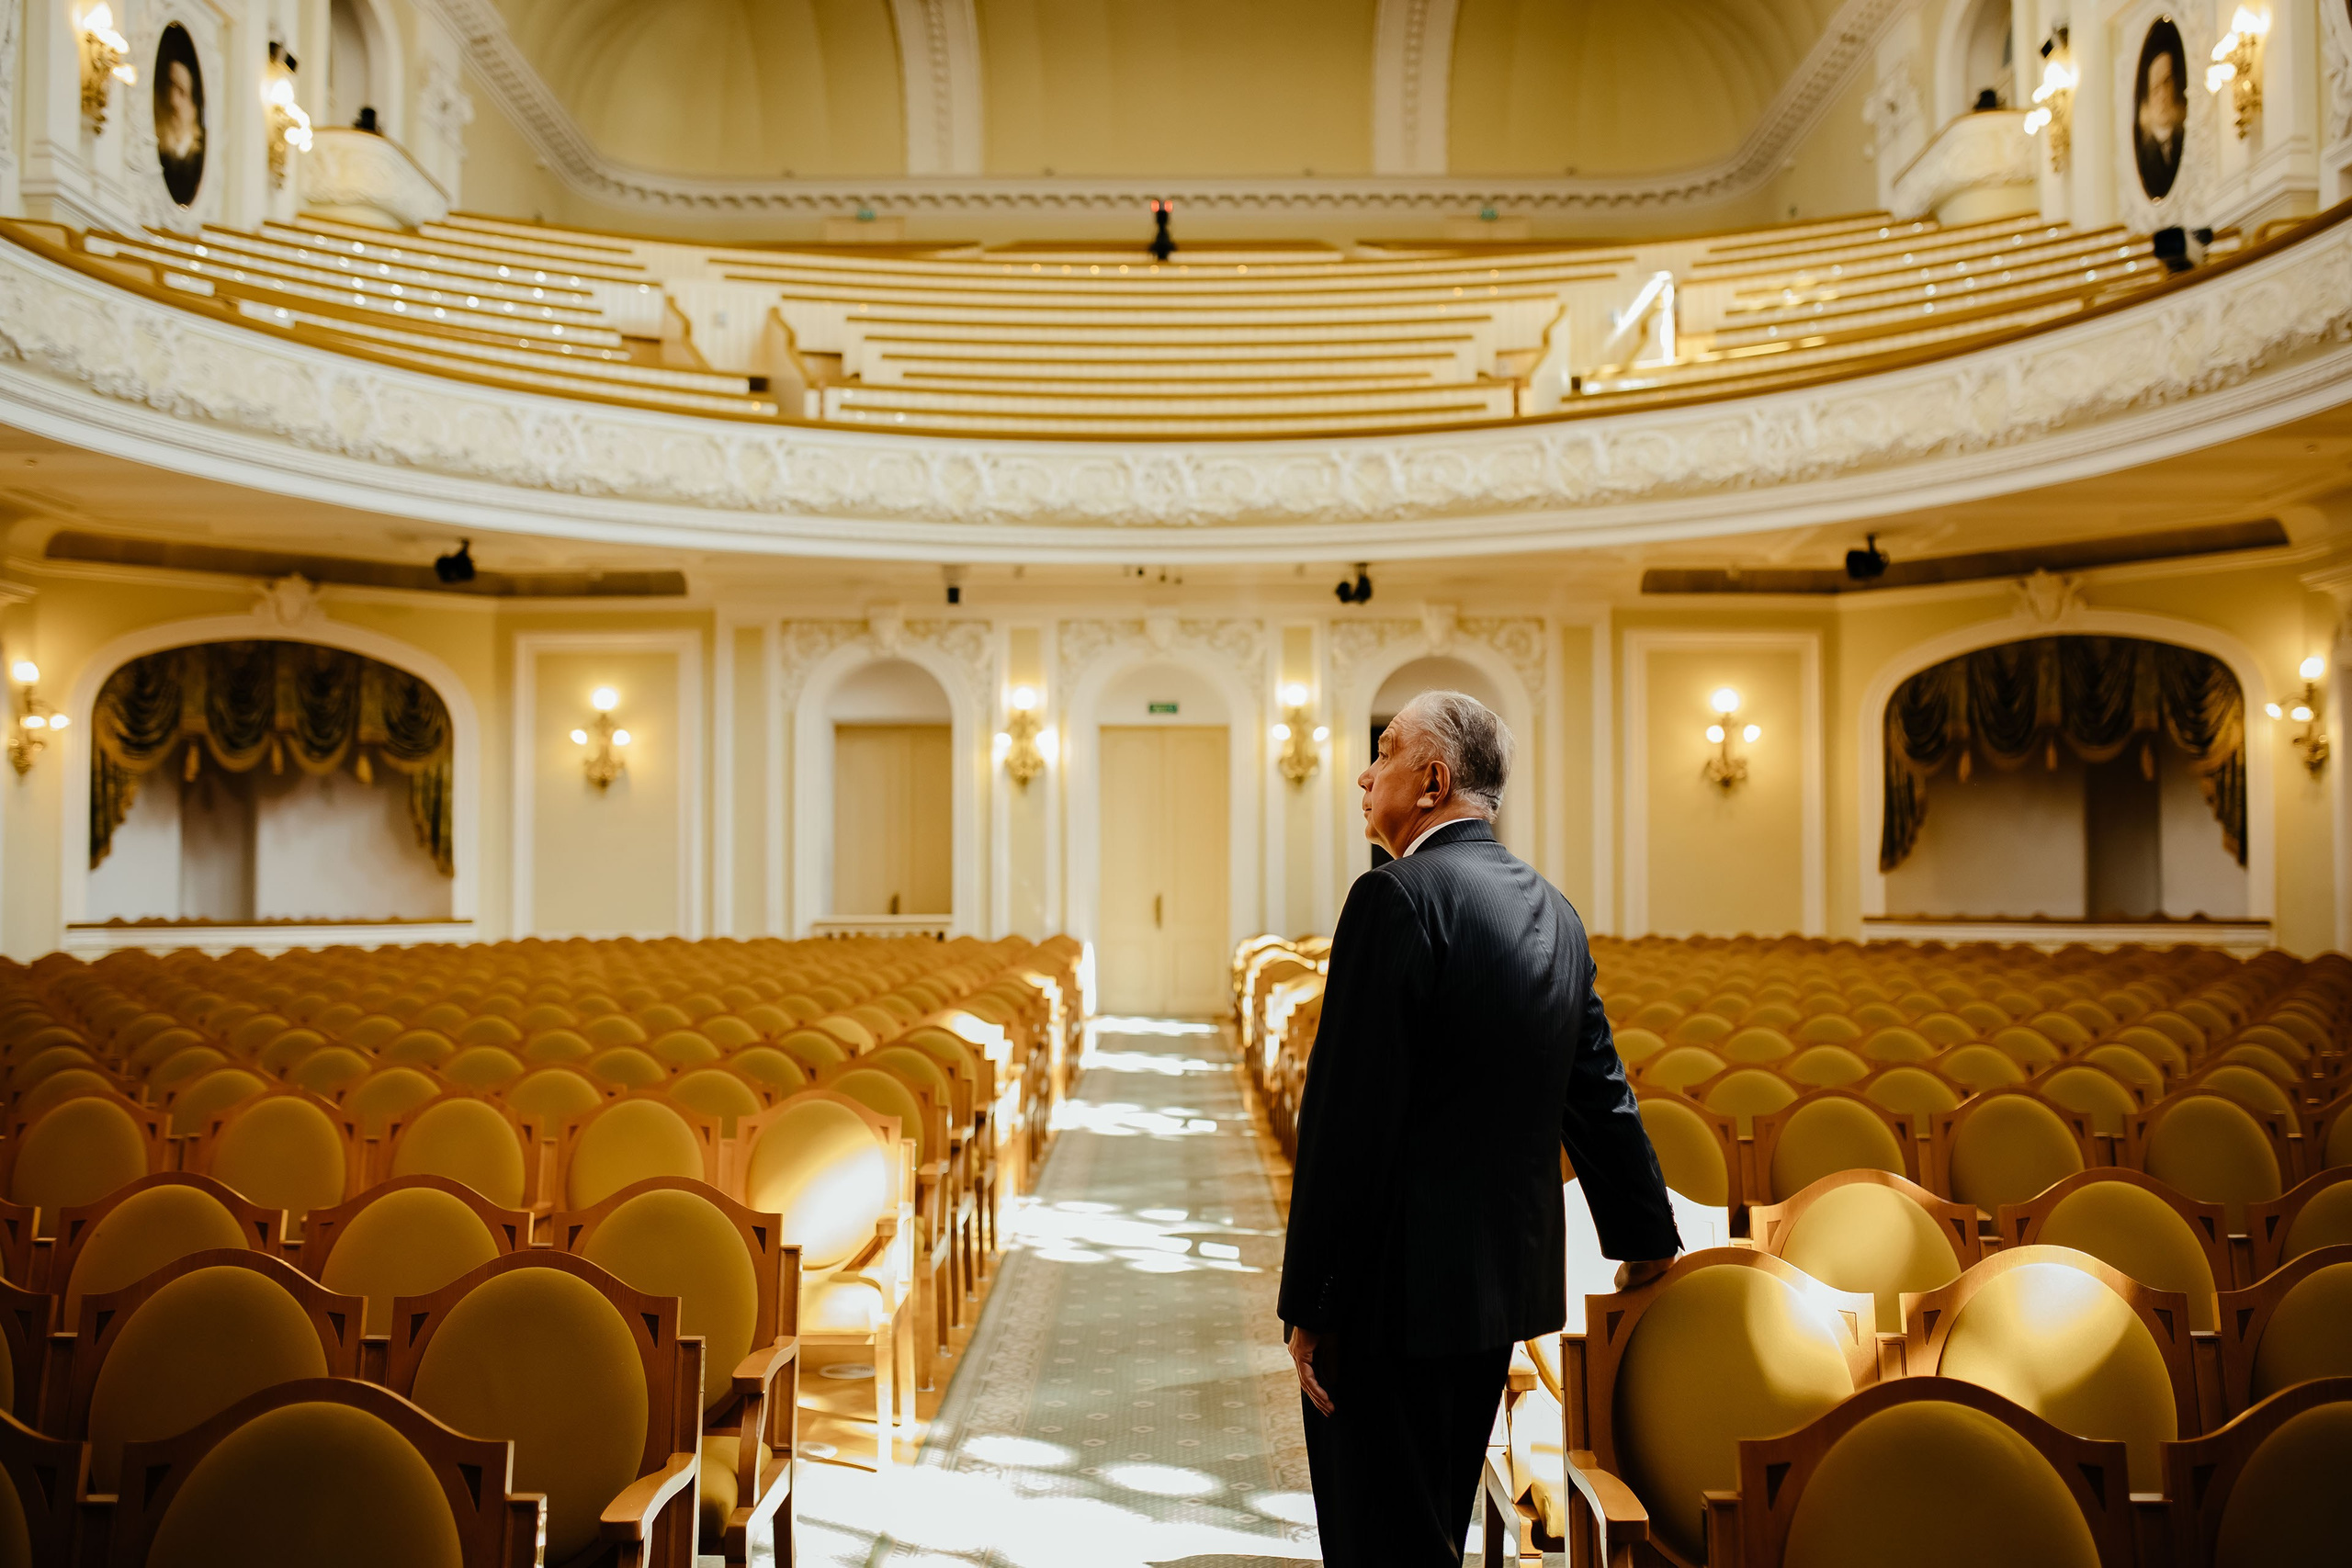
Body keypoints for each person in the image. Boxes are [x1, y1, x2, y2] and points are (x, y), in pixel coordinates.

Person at [1279, 689, 1680, 1566]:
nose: (1362, 772)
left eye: (1382, 753)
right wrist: (1647, 1239)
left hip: (1391, 1306)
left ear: (1431, 780)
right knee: (1431, 1526)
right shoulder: (1554, 911)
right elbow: (1601, 1095)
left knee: (1380, 1542)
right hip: (1498, 1298)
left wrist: (1309, 1301)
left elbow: (1347, 1120)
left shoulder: (1395, 899)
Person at [2134, 30, 2187, 198]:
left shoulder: (2185, 139)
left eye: (2167, 82)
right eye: (2156, 89)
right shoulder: (2145, 157)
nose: (2163, 96)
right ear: (2147, 99)